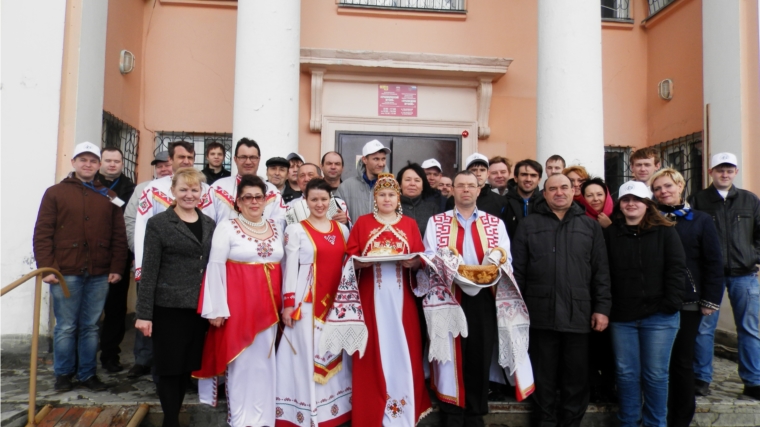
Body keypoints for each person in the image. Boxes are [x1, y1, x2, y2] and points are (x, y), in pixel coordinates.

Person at [322, 173, 432, 426]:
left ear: (398, 198)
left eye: (391, 194)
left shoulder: (410, 225)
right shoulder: (362, 223)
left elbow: (420, 259)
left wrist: (413, 262)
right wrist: (359, 262)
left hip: (402, 300)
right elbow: (350, 258)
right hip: (371, 299)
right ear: (375, 198)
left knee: (405, 348)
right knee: (372, 351)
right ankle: (372, 408)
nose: (386, 199)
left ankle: (404, 406)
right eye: (382, 194)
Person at [423, 170, 531, 426]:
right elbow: (429, 255)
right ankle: (451, 410)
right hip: (449, 294)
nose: (466, 190)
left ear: (479, 189)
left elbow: (506, 256)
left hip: (485, 296)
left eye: (471, 186)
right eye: (460, 186)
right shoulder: (436, 222)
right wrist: (450, 265)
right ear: (453, 190)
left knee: (479, 353)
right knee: (449, 353)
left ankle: (475, 412)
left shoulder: (494, 223)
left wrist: (496, 260)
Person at [512, 173, 611, 427]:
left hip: (579, 313)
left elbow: (601, 271)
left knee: (576, 377)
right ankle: (545, 422)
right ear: (544, 194)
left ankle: (571, 423)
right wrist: (516, 310)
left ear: (573, 191)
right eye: (552, 188)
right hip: (539, 313)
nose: (559, 192)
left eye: (564, 187)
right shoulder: (529, 224)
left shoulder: (589, 226)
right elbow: (518, 271)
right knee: (543, 376)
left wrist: (602, 308)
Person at [33, 142, 129, 392]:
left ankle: (87, 374)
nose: (88, 164)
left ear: (98, 165)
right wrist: (47, 267)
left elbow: (119, 235)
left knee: (91, 326)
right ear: (73, 163)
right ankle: (63, 374)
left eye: (92, 160)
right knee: (66, 325)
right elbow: (43, 232)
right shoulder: (55, 193)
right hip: (66, 272)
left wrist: (117, 266)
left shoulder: (110, 196)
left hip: (98, 272)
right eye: (82, 159)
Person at [194, 175, 285, 426]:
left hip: (270, 308)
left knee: (266, 364)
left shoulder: (277, 227)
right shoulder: (227, 227)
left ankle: (264, 418)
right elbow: (214, 267)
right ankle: (241, 419)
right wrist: (216, 309)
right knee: (240, 363)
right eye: (248, 197)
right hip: (238, 308)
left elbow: (285, 266)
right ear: (238, 202)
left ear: (266, 200)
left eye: (258, 197)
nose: (253, 202)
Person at [134, 168, 215, 427]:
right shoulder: (158, 224)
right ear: (173, 192)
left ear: (201, 193)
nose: (189, 195)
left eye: (194, 190)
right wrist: (144, 314)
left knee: (186, 366)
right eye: (184, 189)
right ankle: (171, 420)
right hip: (167, 308)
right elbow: (149, 271)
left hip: (198, 309)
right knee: (168, 367)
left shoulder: (209, 224)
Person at [605, 181, 686, 427]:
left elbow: (676, 268)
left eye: (637, 200)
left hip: (659, 316)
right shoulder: (610, 234)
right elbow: (603, 273)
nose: (631, 204)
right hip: (622, 317)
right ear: (620, 204)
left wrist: (671, 303)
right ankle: (629, 421)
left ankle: (655, 423)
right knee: (627, 375)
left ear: (647, 204)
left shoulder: (665, 230)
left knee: (655, 375)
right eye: (626, 199)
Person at [276, 178, 353, 427]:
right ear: (305, 200)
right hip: (307, 304)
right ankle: (307, 411)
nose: (320, 204)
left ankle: (333, 410)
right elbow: (289, 269)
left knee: (334, 351)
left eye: (324, 199)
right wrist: (288, 304)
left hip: (337, 304)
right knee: (308, 354)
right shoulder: (296, 230)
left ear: (330, 200)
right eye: (314, 199)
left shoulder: (342, 229)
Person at [651, 168, 724, 426]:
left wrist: (710, 300)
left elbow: (713, 262)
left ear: (680, 186)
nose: (663, 192)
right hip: (655, 302)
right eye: (658, 188)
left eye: (668, 186)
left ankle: (680, 419)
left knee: (681, 361)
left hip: (689, 301)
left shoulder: (701, 220)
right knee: (658, 364)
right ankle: (656, 414)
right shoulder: (650, 219)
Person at [691, 152, 760, 401]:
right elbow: (691, 235)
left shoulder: (750, 200)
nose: (725, 174)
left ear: (736, 172)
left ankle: (753, 382)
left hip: (745, 274)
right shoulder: (698, 200)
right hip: (710, 276)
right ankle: (701, 378)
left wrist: (753, 256)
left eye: (729, 170)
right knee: (704, 329)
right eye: (720, 169)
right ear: (711, 172)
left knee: (750, 329)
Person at [134, 140, 215, 281]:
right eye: (181, 157)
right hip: (165, 264)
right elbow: (142, 228)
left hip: (199, 266)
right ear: (170, 159)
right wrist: (142, 266)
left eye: (190, 158)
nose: (186, 161)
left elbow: (211, 227)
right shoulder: (153, 189)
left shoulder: (206, 190)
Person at [123, 150, 173, 378]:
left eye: (167, 164)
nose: (164, 168)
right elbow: (132, 220)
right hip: (148, 261)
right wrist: (142, 252)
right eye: (159, 165)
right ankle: (143, 360)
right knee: (146, 311)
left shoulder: (191, 187)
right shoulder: (143, 188)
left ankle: (164, 363)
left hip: (176, 265)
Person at [95, 147, 136, 374]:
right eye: (108, 160)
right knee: (89, 313)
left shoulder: (130, 189)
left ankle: (111, 356)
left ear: (122, 163)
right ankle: (83, 360)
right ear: (101, 162)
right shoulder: (88, 185)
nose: (112, 164)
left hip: (119, 256)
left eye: (116, 161)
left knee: (116, 311)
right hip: (91, 257)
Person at [210, 138, 286, 228]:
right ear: (235, 159)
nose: (248, 162)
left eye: (253, 157)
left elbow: (280, 227)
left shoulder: (273, 192)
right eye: (243, 157)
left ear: (259, 160)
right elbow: (207, 224)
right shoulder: (217, 188)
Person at [336, 139, 391, 222]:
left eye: (383, 159)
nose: (381, 164)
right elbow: (334, 214)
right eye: (376, 159)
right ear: (365, 159)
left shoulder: (391, 186)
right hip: (354, 235)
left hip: (382, 235)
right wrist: (344, 220)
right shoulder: (346, 186)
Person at [445, 153, 509, 223]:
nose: (478, 173)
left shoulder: (501, 201)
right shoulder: (454, 200)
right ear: (467, 173)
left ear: (488, 173)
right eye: (474, 170)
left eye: (482, 170)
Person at [285, 163, 350, 227]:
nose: (306, 179)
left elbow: (349, 232)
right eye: (302, 176)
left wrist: (346, 222)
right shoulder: (289, 206)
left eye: (310, 175)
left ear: (320, 178)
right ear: (298, 181)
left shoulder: (338, 203)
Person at [397, 163, 444, 236]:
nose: (412, 184)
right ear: (400, 184)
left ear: (423, 186)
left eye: (417, 180)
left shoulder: (433, 208)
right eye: (407, 180)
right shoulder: (392, 207)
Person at [503, 159, 544, 239]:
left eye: (533, 175)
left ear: (539, 180)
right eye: (524, 175)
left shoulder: (545, 204)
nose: (528, 179)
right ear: (515, 178)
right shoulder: (503, 203)